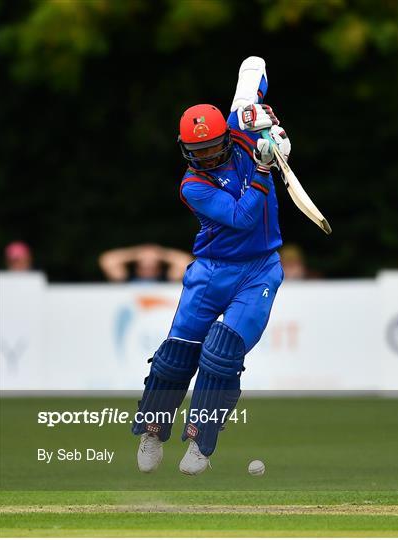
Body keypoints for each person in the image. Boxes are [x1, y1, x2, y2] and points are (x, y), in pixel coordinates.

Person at [132, 56, 291, 475]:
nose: (207, 156)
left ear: (226, 134)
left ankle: (200, 443)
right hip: (212, 268)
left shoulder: (239, 125)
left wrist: (266, 121)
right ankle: (153, 430)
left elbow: (254, 66)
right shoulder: (193, 185)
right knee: (175, 356)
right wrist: (262, 166)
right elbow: (242, 217)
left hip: (259, 269)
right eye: (197, 151)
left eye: (213, 147)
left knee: (222, 354)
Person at [99, 244, 193, 282]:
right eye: (144, 265)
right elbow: (108, 260)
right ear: (137, 266)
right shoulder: (126, 279)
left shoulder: (167, 280)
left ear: (159, 268)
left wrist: (159, 253)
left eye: (152, 266)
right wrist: (137, 253)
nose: (148, 264)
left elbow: (185, 261)